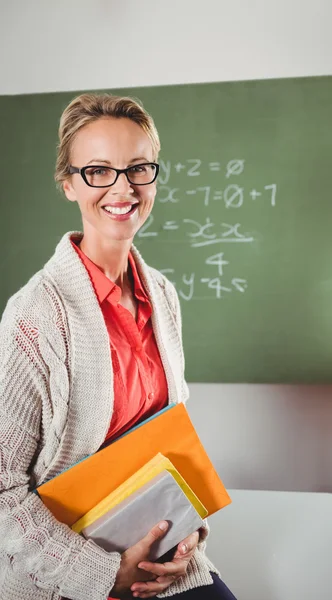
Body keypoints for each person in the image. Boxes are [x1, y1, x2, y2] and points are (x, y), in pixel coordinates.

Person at [0, 94, 237, 600]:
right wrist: (106, 574)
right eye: (98, 171)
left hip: (164, 558)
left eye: (138, 169)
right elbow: (2, 487)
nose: (123, 188)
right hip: (69, 578)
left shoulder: (164, 296)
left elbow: (168, 436)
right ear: (69, 183)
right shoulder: (33, 316)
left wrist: (186, 534)